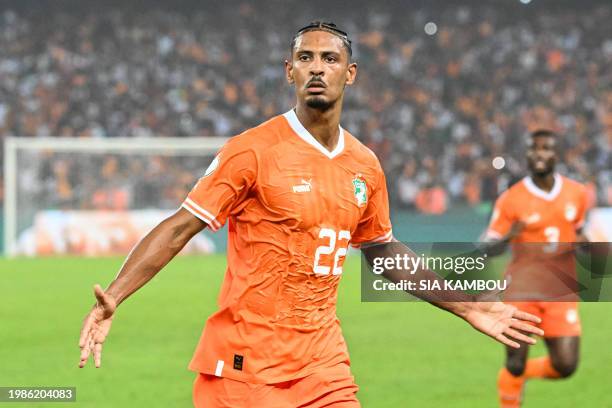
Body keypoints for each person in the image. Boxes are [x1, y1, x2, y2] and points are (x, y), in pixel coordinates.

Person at [79, 21, 543, 407]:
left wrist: (466, 307)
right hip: (247, 371)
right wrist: (117, 294)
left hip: (323, 366)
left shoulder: (365, 165)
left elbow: (381, 250)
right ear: (290, 72)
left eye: (329, 58)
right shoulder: (252, 151)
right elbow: (182, 225)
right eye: (306, 58)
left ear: (350, 73)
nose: (317, 67)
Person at [486, 130, 589, 407]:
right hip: (522, 288)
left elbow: (579, 234)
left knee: (566, 365)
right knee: (516, 362)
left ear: (557, 155)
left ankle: (513, 379)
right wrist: (510, 236)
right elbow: (487, 247)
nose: (539, 153)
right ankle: (512, 383)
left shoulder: (577, 193)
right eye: (534, 148)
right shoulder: (511, 198)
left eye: (546, 148)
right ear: (527, 155)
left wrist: (585, 243)